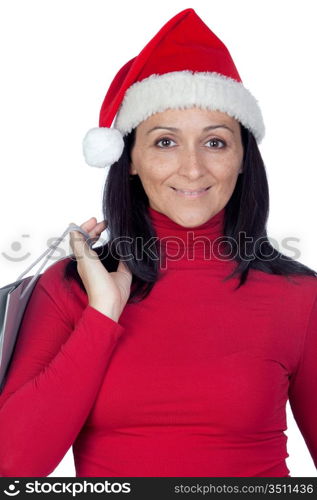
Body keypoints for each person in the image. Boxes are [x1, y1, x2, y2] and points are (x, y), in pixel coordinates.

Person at [0, 8, 316, 478]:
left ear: (244, 157)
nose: (192, 169)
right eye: (165, 142)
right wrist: (102, 314)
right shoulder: (67, 288)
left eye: (215, 143)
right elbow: (13, 468)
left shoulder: (300, 297)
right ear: (129, 159)